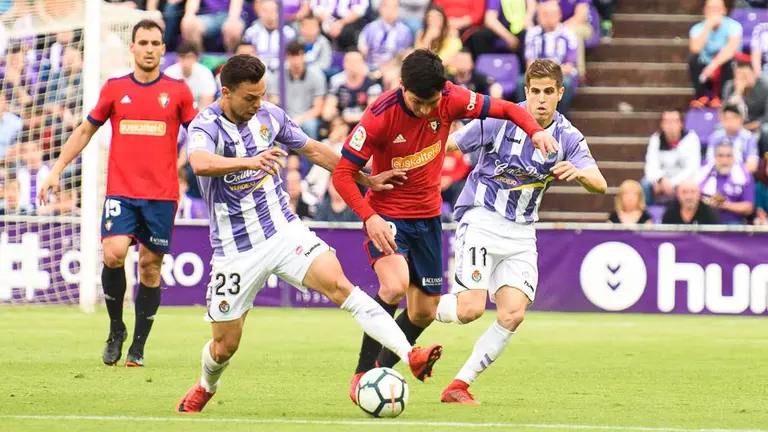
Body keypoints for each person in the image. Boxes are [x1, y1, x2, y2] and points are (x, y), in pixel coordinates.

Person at [175, 54, 444, 413]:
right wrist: (249, 162)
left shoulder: (270, 116)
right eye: (250, 98)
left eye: (262, 95)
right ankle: (206, 385)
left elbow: (315, 150)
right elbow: (199, 163)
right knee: (225, 346)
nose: (258, 104)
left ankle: (410, 354)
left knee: (342, 287)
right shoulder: (205, 124)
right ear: (226, 93)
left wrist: (364, 179)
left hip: (284, 232)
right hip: (235, 249)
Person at [331, 48, 559, 404]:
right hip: (387, 214)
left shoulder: (453, 98)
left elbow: (509, 109)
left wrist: (533, 132)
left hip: (428, 219)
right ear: (402, 87)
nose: (426, 111)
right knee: (394, 285)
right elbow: (343, 174)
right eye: (419, 102)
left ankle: (382, 370)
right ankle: (362, 374)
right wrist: (369, 216)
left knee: (423, 312)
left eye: (432, 102)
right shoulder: (378, 116)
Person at [433, 58, 606, 404]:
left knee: (512, 313)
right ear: (526, 91)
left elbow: (599, 184)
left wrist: (579, 174)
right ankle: (420, 307)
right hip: (482, 218)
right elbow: (449, 144)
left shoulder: (568, 136)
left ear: (560, 94)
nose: (541, 99)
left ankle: (459, 385)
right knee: (469, 310)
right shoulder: (501, 120)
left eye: (548, 92)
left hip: (522, 232)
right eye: (535, 91)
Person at [38, 20, 198, 368]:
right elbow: (85, 130)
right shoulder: (115, 88)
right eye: (144, 42)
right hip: (122, 191)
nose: (149, 49)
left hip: (161, 195)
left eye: (155, 43)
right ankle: (116, 329)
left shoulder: (179, 91)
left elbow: (199, 133)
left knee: (150, 269)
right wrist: (56, 169)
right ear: (132, 47)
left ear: (162, 49)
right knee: (113, 254)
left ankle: (138, 347)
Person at [641, 109, 702, 206]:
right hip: (662, 181)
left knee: (693, 185)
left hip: (684, 180)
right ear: (662, 124)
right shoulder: (655, 140)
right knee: (645, 184)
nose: (671, 125)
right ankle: (648, 213)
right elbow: (650, 166)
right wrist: (660, 179)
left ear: (681, 124)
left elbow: (692, 168)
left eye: (674, 121)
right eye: (667, 122)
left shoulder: (691, 138)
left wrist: (672, 183)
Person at [688, 0, 742, 108]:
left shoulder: (734, 26)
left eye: (717, 9)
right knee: (693, 59)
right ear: (705, 10)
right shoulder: (697, 28)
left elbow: (730, 50)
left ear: (724, 11)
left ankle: (721, 98)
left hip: (722, 65)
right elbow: (695, 49)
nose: (714, 12)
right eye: (710, 9)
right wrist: (707, 27)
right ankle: (701, 97)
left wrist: (713, 66)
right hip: (705, 67)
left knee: (729, 61)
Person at [698, 142, 755, 224]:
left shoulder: (744, 176)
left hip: (734, 223)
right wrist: (707, 202)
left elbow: (749, 208)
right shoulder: (702, 172)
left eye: (728, 156)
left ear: (733, 158)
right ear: (715, 157)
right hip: (706, 222)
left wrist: (726, 205)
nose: (724, 160)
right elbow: (691, 196)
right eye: (720, 155)